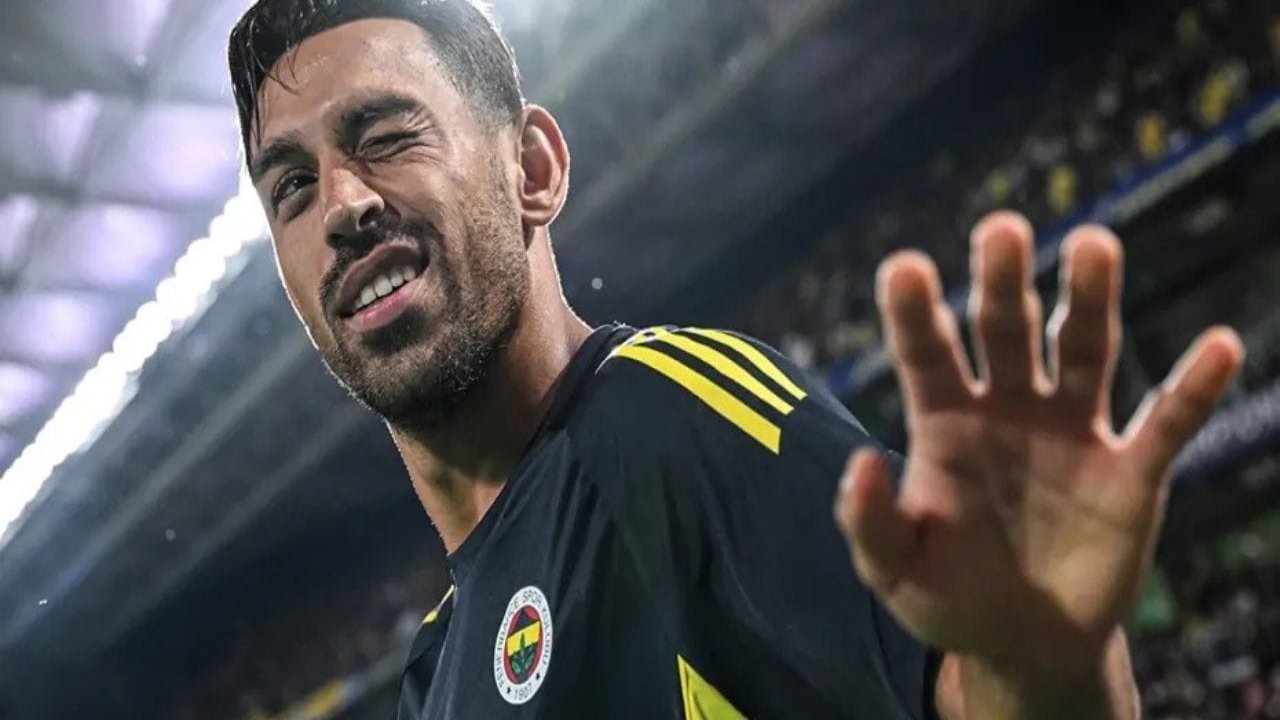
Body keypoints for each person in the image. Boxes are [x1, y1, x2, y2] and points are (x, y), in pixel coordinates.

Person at [226, 1, 1244, 717]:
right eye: (291, 189)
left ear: (532, 169)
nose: (342, 205)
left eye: (387, 136)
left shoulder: (664, 425)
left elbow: (965, 698)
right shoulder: (436, 668)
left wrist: (1040, 659)